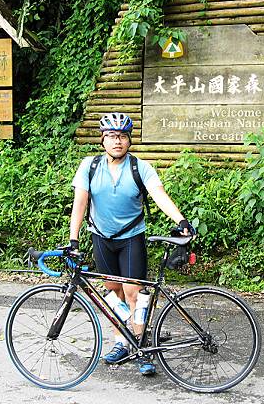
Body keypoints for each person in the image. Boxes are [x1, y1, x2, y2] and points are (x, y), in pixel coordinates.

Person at [69, 112, 195, 376]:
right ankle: (121, 341)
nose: (118, 141)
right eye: (112, 136)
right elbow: (80, 203)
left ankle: (140, 345)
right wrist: (74, 239)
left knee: (133, 292)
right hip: (101, 237)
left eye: (123, 136)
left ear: (129, 141)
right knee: (113, 293)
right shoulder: (89, 167)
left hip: (131, 237)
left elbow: (160, 196)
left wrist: (181, 219)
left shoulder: (140, 168)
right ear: (103, 140)